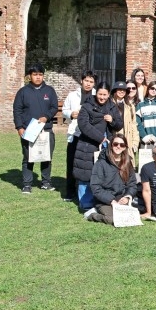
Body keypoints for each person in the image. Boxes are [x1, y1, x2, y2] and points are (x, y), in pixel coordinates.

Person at [73, 82, 122, 210]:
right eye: (100, 94)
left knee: (104, 174)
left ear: (109, 94)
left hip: (108, 146)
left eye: (105, 95)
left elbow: (119, 125)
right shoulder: (87, 106)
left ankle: (103, 199)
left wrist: (112, 121)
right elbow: (83, 125)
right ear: (96, 93)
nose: (102, 97)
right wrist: (100, 137)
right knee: (86, 174)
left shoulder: (112, 107)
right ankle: (85, 202)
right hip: (88, 145)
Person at [13, 63, 59, 194]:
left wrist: (46, 117)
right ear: (30, 76)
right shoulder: (23, 92)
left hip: (46, 130)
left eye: (40, 74)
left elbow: (54, 107)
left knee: (46, 156)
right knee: (28, 157)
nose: (38, 77)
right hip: (29, 130)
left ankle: (46, 182)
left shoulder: (49, 91)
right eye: (35, 74)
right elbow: (17, 110)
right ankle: (27, 184)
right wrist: (19, 127)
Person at [84, 134, 138, 224]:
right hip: (104, 201)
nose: (118, 147)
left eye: (122, 145)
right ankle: (93, 214)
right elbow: (95, 187)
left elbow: (132, 184)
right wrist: (111, 200)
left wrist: (127, 197)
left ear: (125, 147)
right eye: (115, 144)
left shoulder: (127, 163)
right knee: (113, 219)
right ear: (111, 145)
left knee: (131, 217)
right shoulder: (101, 163)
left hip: (121, 199)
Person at [62, 70, 95, 201]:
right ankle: (70, 192)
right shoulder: (72, 95)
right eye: (86, 81)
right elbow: (64, 110)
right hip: (74, 132)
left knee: (88, 163)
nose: (88, 84)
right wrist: (70, 113)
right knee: (71, 162)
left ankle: (88, 191)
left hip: (90, 133)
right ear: (81, 81)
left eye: (91, 82)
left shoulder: (96, 95)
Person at [112, 81, 140, 162]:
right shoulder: (110, 104)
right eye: (119, 89)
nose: (121, 92)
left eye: (123, 90)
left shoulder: (130, 106)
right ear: (115, 91)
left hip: (127, 140)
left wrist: (135, 141)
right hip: (114, 139)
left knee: (126, 166)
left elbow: (134, 125)